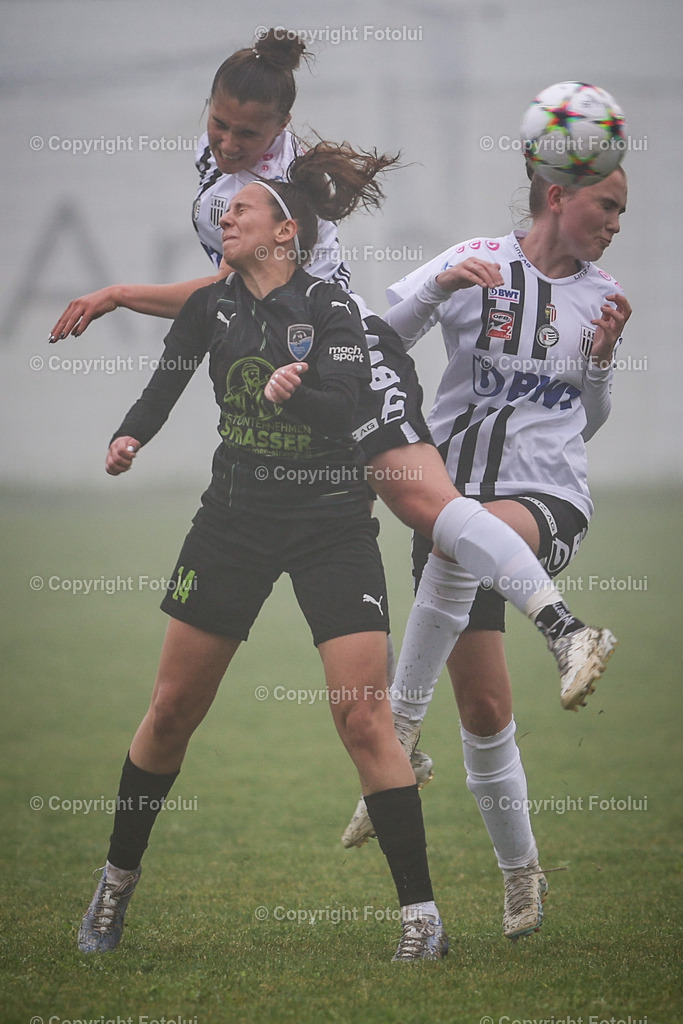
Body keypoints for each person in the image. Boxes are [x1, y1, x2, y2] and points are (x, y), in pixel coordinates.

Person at [49, 30, 618, 729]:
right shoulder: (231, 167)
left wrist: (119, 293)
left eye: (247, 132)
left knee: (427, 508)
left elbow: (217, 293)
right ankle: (410, 730)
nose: (228, 141)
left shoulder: (252, 196)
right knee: (431, 522)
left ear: (279, 130)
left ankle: (565, 631)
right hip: (311, 354)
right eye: (219, 123)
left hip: (346, 346)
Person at [77, 141, 452, 962]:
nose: (225, 216)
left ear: (285, 232)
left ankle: (421, 920)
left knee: (362, 715)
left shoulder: (332, 309)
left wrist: (299, 389)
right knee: (172, 710)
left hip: (331, 524)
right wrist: (128, 435)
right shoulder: (211, 306)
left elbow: (348, 409)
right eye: (224, 209)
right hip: (233, 522)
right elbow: (166, 383)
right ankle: (112, 888)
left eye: (240, 209)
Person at [341, 161, 631, 944]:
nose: (614, 222)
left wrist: (600, 363)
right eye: (605, 205)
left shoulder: (600, 297)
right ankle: (520, 876)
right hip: (453, 511)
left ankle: (407, 727)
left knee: (454, 542)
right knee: (484, 710)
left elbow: (586, 420)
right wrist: (436, 292)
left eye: (620, 211)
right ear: (556, 196)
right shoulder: (474, 257)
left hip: (547, 500)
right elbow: (378, 349)